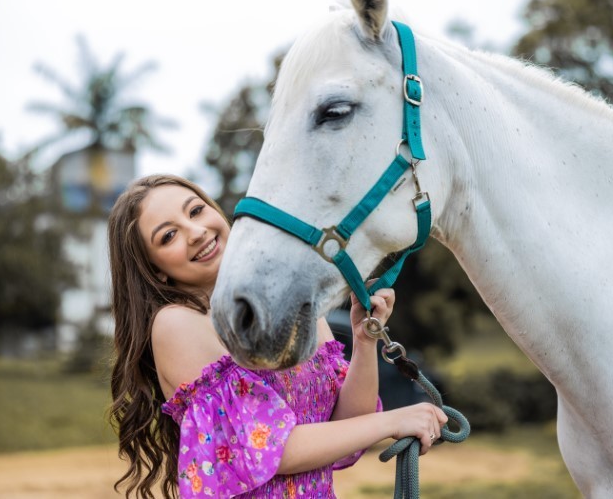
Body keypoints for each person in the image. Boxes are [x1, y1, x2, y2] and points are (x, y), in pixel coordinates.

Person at [107, 174, 447, 499]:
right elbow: (272, 449)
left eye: (196, 210)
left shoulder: (290, 297)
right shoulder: (176, 325)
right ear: (155, 269)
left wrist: (364, 340)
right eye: (168, 235)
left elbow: (349, 426)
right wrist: (393, 420)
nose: (196, 232)